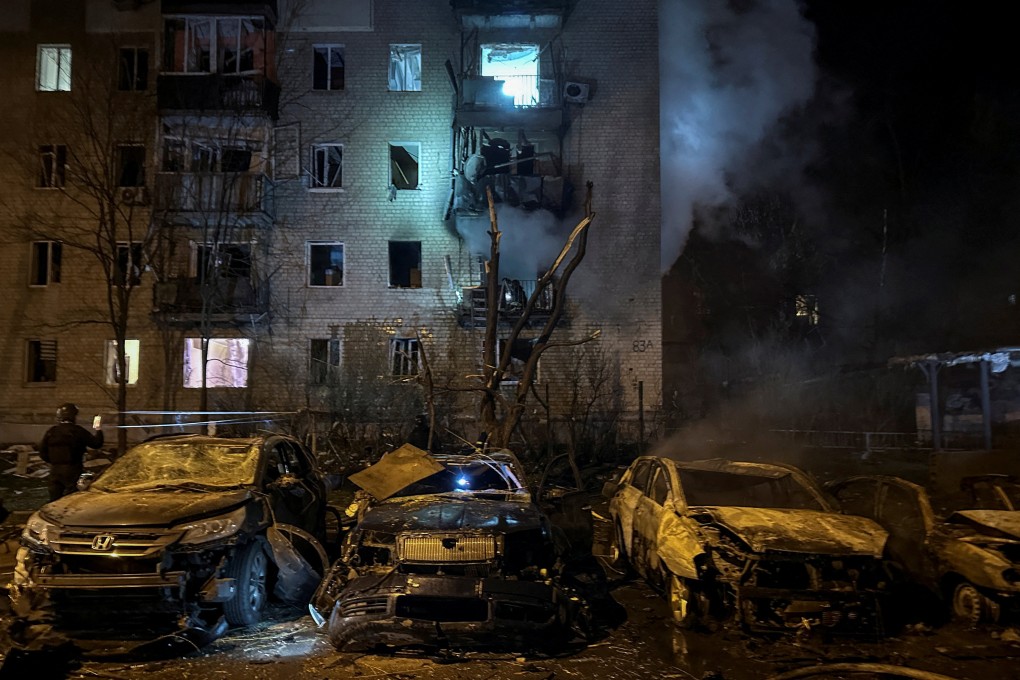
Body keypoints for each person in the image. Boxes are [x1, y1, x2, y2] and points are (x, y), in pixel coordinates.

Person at [38, 403, 104, 501]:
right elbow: (96, 444)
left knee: (54, 500)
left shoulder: (51, 431)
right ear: (74, 416)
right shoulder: (78, 431)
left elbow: (42, 452)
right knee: (72, 500)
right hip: (73, 470)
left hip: (55, 470)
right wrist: (98, 428)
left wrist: (54, 462)